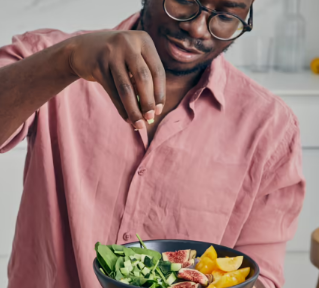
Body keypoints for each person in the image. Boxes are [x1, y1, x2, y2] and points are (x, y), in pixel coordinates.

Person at [0, 0, 305, 287]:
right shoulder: (51, 56)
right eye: (185, 0)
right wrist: (66, 61)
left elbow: (260, 275)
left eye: (225, 16)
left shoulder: (272, 128)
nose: (197, 29)